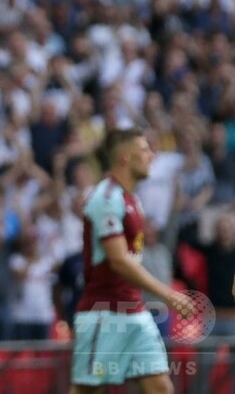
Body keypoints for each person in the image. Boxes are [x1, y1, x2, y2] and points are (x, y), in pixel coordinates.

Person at [70, 128, 193, 394]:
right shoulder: (106, 198)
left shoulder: (133, 200)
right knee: (87, 391)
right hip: (104, 312)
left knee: (161, 387)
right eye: (145, 150)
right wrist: (169, 295)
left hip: (135, 311)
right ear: (125, 157)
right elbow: (119, 261)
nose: (152, 156)